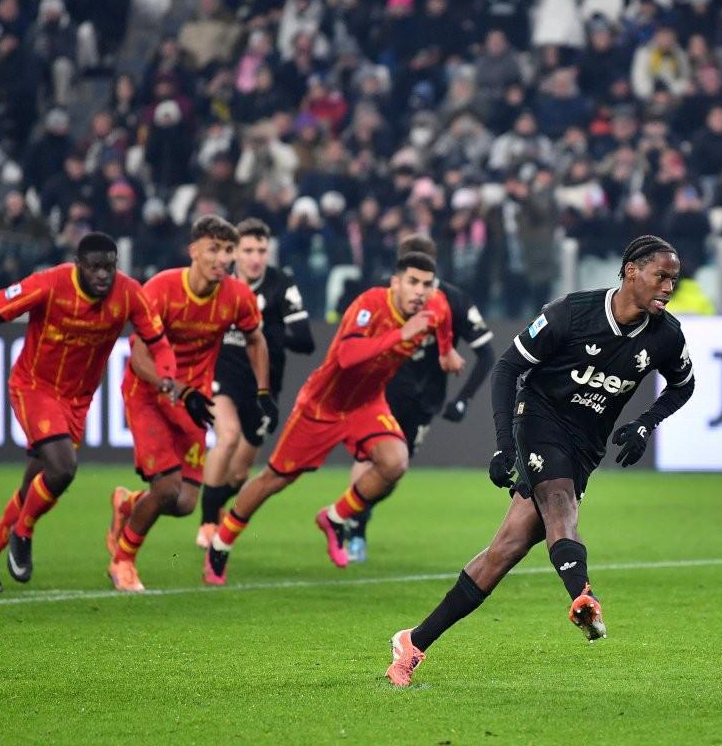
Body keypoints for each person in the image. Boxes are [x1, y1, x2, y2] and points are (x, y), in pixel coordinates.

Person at [384, 235, 696, 687]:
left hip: (585, 446)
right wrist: (503, 446)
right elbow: (507, 366)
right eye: (661, 276)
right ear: (631, 270)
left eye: (674, 279)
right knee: (559, 503)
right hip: (539, 418)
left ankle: (412, 642)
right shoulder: (572, 312)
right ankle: (582, 596)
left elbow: (684, 386)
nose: (668, 287)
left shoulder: (666, 336)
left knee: (505, 551)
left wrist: (646, 423)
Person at [202, 251, 463, 584]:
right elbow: (346, 356)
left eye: (426, 285)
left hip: (367, 404)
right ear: (395, 283)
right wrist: (401, 333)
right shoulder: (370, 304)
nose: (420, 292)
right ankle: (221, 542)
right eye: (412, 282)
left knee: (395, 462)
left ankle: (335, 518)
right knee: (274, 480)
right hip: (322, 406)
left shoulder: (434, 305)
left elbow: (443, 318)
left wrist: (446, 351)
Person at [0, 232, 176, 593]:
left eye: (109, 267)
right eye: (94, 268)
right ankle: (23, 533)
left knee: (34, 484)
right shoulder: (49, 284)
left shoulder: (129, 293)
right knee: (63, 468)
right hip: (34, 387)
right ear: (78, 265)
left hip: (78, 400)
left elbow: (159, 343)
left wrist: (169, 376)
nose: (103, 275)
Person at [105, 216, 272, 592]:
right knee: (166, 488)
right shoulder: (161, 289)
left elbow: (256, 339)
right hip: (149, 394)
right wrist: (177, 389)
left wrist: (263, 392)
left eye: (228, 250)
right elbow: (139, 357)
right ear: (193, 251)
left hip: (193, 402)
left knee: (183, 503)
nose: (222, 258)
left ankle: (128, 504)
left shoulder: (237, 296)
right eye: (213, 249)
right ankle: (123, 561)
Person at [345, 234, 495, 563]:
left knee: (393, 471)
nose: (416, 288)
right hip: (380, 393)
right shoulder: (380, 295)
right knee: (370, 458)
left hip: (424, 399)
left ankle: (355, 513)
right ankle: (353, 527)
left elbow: (486, 352)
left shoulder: (453, 300)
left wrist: (464, 398)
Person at [195, 218, 316, 549]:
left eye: (261, 251)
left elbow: (305, 341)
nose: (255, 258)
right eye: (247, 250)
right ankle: (207, 523)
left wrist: (265, 332)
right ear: (234, 253)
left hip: (263, 388)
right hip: (222, 377)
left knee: (238, 475)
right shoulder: (219, 283)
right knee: (228, 436)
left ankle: (216, 507)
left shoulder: (280, 285)